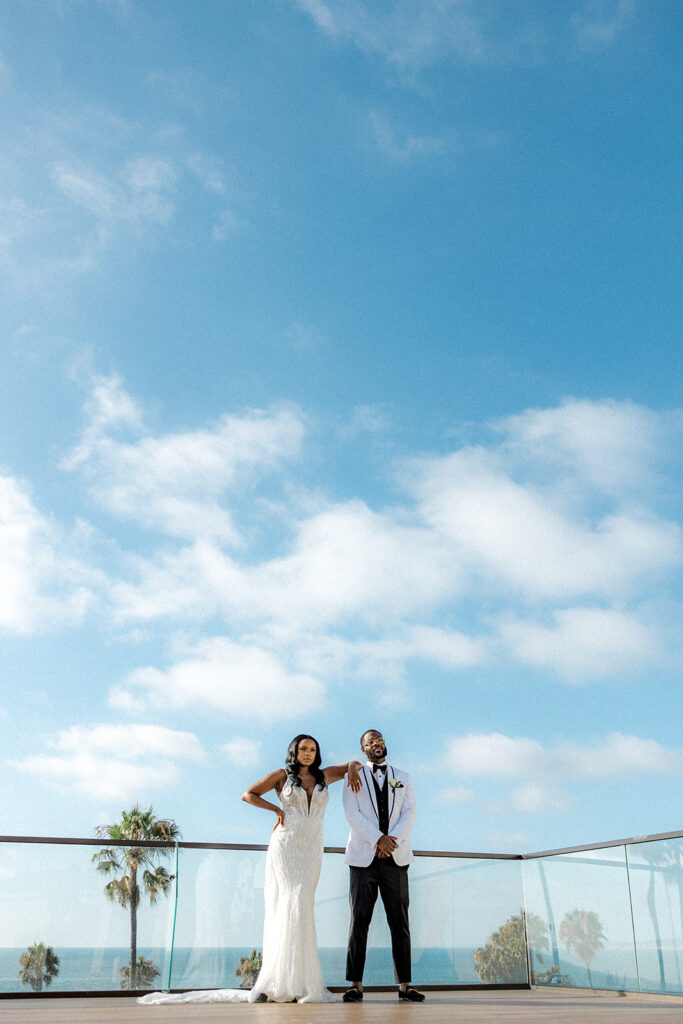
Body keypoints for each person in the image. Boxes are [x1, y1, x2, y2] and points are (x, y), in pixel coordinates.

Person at [140, 735, 362, 1005]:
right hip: (286, 846)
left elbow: (356, 764)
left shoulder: (324, 776)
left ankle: (301, 982)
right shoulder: (282, 775)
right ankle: (279, 982)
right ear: (294, 751)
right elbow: (249, 794)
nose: (308, 753)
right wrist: (276, 810)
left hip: (312, 850)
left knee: (302, 907)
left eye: (312, 749)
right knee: (287, 907)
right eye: (303, 749)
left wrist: (350, 768)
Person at [342, 729, 425, 1003]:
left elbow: (410, 812)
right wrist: (377, 839)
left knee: (400, 922)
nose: (377, 744)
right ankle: (356, 985)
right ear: (363, 749)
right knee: (359, 922)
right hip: (363, 859)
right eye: (371, 742)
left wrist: (391, 841)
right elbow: (351, 813)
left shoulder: (403, 777)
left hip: (396, 859)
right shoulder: (352, 776)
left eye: (380, 740)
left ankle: (404, 985)